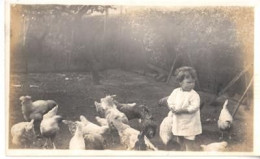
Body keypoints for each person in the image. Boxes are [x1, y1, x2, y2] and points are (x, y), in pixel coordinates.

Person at [159, 66, 202, 151]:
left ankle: (189, 153)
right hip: (179, 121)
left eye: (193, 82)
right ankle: (181, 152)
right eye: (189, 82)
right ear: (180, 82)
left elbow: (195, 107)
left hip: (190, 122)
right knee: (179, 139)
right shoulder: (176, 92)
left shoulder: (194, 95)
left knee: (189, 141)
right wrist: (172, 108)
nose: (192, 84)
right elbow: (170, 101)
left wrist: (183, 110)